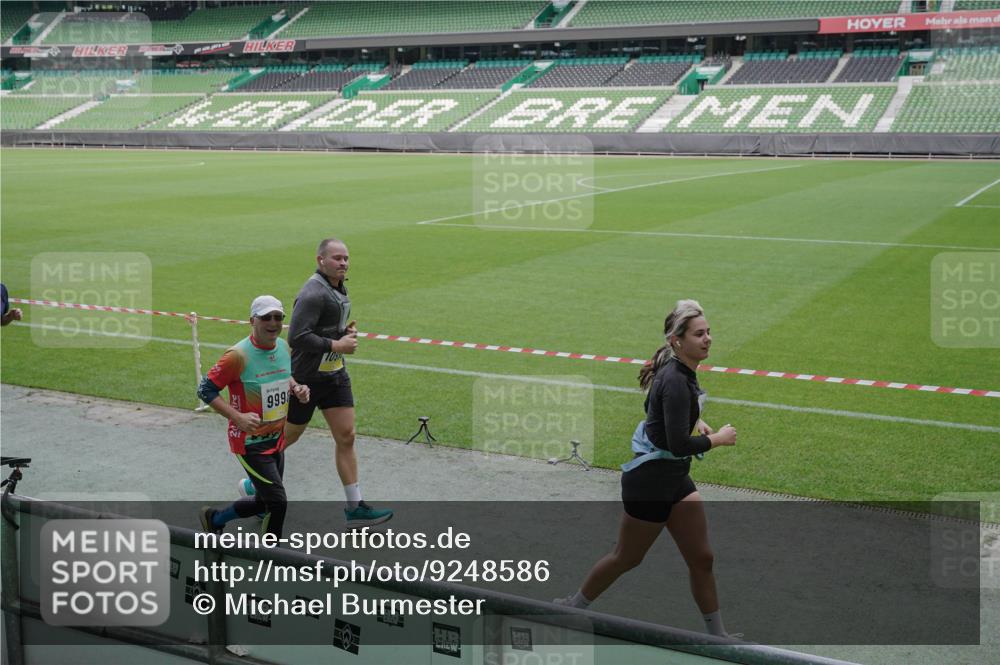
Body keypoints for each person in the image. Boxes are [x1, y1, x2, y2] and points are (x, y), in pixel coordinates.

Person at [557, 299, 738, 638]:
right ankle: (571, 608)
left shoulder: (682, 372)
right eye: (699, 334)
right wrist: (719, 440)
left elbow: (660, 418)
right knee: (627, 557)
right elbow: (675, 444)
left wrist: (696, 421)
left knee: (702, 558)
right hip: (650, 483)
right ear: (677, 340)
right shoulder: (674, 379)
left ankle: (718, 637)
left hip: (674, 479)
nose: (708, 338)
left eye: (709, 332)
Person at [277, 238, 393, 528]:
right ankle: (258, 484)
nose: (343, 263)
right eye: (337, 258)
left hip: (335, 375)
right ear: (320, 260)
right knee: (285, 438)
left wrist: (343, 332)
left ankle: (355, 507)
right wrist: (337, 344)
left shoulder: (338, 286)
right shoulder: (312, 293)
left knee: (347, 436)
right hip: (306, 379)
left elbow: (323, 328)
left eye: (346, 258)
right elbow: (297, 337)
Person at [197, 295, 309, 538]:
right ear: (252, 321)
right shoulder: (237, 355)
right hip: (250, 443)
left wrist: (297, 388)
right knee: (278, 502)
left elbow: (281, 376)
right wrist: (237, 417)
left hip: (276, 438)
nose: (273, 322)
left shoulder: (282, 347)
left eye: (278, 317)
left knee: (263, 501)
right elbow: (205, 389)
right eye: (266, 317)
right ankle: (271, 556)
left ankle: (214, 518)